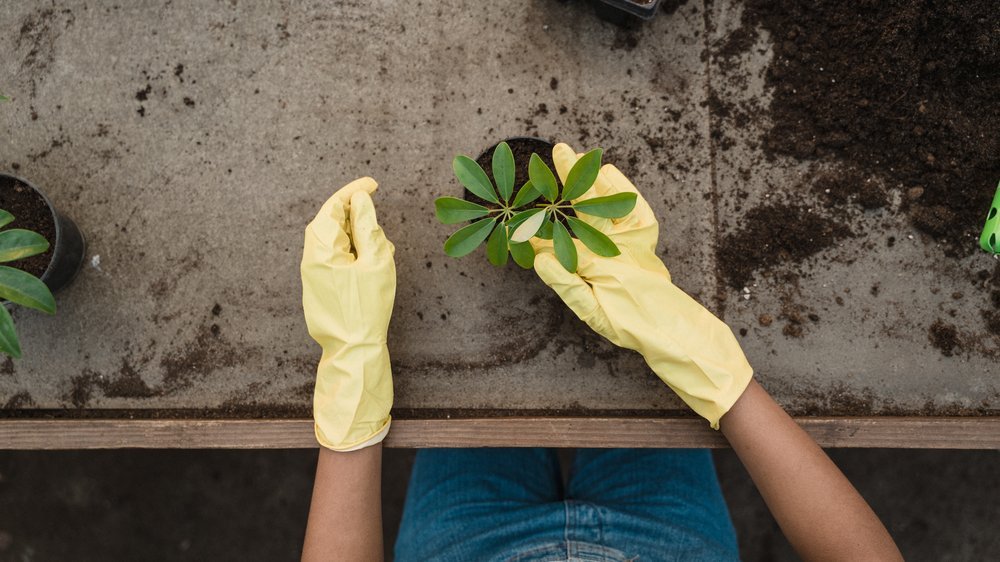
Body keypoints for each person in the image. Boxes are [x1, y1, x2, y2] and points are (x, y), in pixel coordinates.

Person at [298, 144, 903, 561]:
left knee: (475, 407)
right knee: (644, 382)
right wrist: (707, 362)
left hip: (468, 545)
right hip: (672, 542)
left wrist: (352, 382)